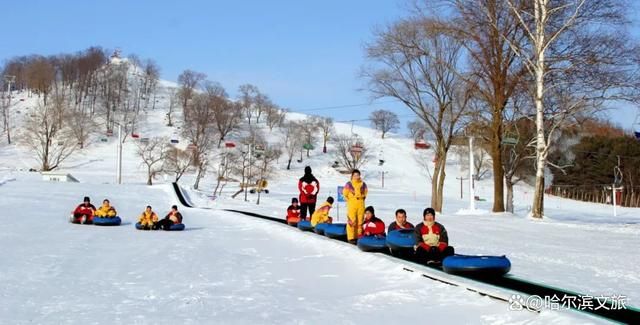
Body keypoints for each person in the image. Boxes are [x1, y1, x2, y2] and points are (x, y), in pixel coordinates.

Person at [343, 169, 368, 244]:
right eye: (355, 175)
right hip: (352, 203)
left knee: (360, 221)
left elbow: (366, 192)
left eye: (358, 175)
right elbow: (345, 193)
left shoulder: (363, 184)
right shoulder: (349, 184)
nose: (356, 176)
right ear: (352, 176)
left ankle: (358, 236)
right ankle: (351, 238)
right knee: (352, 220)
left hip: (361, 203)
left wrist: (363, 197)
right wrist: (349, 200)